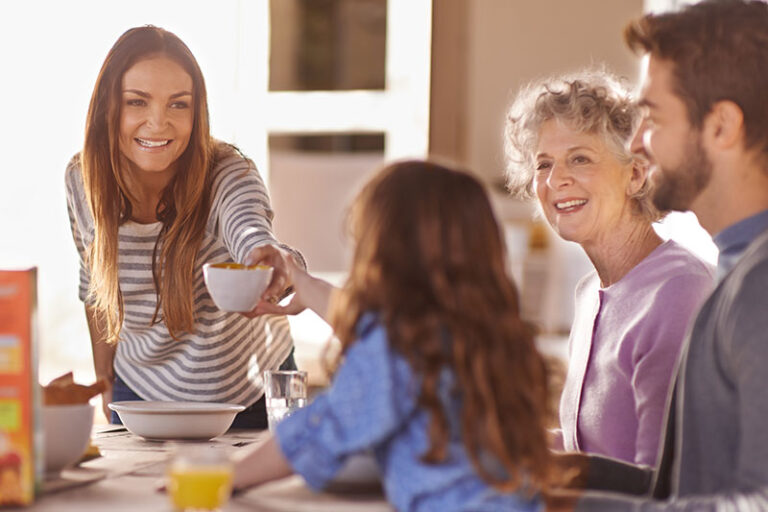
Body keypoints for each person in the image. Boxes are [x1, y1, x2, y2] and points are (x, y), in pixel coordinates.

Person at [231, 160, 557, 511]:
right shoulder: (484, 337)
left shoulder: (398, 348)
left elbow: (313, 433)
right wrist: (303, 283)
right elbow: (372, 328)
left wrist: (220, 474)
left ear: (384, 252)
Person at [547, 1, 768, 510]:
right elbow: (692, 489)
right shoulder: (736, 266)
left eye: (653, 117)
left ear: (721, 127)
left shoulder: (760, 286)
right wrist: (570, 474)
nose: (639, 143)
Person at [65, 26, 305, 429]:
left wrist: (271, 260)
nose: (158, 123)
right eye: (137, 102)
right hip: (140, 393)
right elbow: (94, 285)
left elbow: (250, 231)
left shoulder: (228, 173)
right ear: (109, 106)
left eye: (179, 105)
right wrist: (104, 379)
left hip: (250, 395)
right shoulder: (83, 179)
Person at [504, 71, 714, 467]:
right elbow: (594, 450)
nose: (555, 179)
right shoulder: (590, 293)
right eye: (543, 164)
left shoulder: (679, 293)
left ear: (636, 174)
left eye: (580, 158)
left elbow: (659, 485)